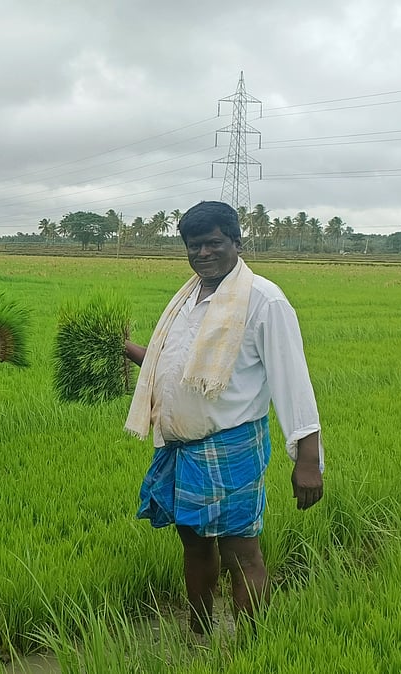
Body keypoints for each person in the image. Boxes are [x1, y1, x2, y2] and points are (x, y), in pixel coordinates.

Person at [123, 200, 325, 634]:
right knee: (194, 546)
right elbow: (173, 364)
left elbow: (293, 380)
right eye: (193, 246)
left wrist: (308, 459)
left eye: (213, 243)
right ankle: (199, 635)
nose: (203, 253)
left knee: (241, 554)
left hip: (232, 446)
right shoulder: (188, 297)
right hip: (180, 447)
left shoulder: (263, 300)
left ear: (237, 241)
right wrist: (127, 349)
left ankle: (254, 646)